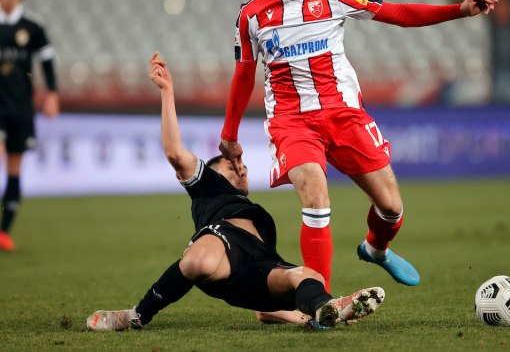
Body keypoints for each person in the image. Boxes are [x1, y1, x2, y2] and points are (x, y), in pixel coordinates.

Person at [219, 0, 498, 291]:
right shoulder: (252, 15)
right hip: (292, 121)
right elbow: (243, 76)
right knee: (316, 199)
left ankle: (376, 249)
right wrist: (229, 134)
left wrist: (459, 10)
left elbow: (396, 12)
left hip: (343, 114)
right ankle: (318, 301)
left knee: (391, 208)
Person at [86, 53, 384, 331]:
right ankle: (136, 315)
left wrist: (292, 315)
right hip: (221, 251)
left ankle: (323, 309)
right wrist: (167, 91)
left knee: (306, 276)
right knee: (197, 262)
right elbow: (175, 152)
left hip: (258, 268)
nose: (240, 168)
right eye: (231, 165)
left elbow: (264, 309)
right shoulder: (208, 187)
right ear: (212, 173)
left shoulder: (251, 211)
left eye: (242, 165)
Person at [0, 0, 59, 252]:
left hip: (21, 108)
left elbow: (46, 61)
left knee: (14, 168)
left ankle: (4, 231)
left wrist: (52, 94)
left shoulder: (33, 26)